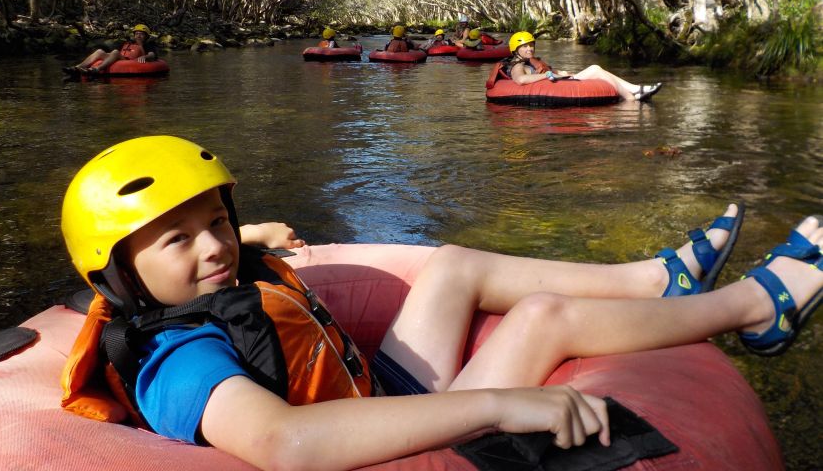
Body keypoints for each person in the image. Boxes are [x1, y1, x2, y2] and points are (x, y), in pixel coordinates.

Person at [60, 136, 823, 471]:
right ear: (120, 274)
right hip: (378, 443)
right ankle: (755, 307)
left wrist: (249, 232)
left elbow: (227, 253)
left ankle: (656, 279)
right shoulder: (180, 361)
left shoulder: (216, 276)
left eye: (216, 222)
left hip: (371, 393)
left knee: (452, 265)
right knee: (541, 320)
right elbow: (287, 445)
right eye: (177, 242)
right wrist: (496, 403)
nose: (214, 249)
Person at [504, 31, 663, 101]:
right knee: (595, 69)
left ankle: (635, 89)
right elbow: (521, 80)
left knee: (597, 70)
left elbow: (548, 70)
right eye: (525, 46)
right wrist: (546, 75)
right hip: (558, 84)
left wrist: (559, 71)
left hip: (561, 80)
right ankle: (631, 97)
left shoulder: (530, 61)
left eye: (530, 45)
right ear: (516, 49)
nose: (529, 48)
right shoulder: (517, 65)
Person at [65, 24, 158, 74]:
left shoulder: (148, 45)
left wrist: (145, 57)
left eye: (141, 34)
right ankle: (77, 67)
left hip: (131, 62)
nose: (138, 36)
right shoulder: (130, 43)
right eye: (137, 33)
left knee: (115, 52)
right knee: (99, 51)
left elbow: (152, 54)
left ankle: (97, 69)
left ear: (146, 36)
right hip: (122, 60)